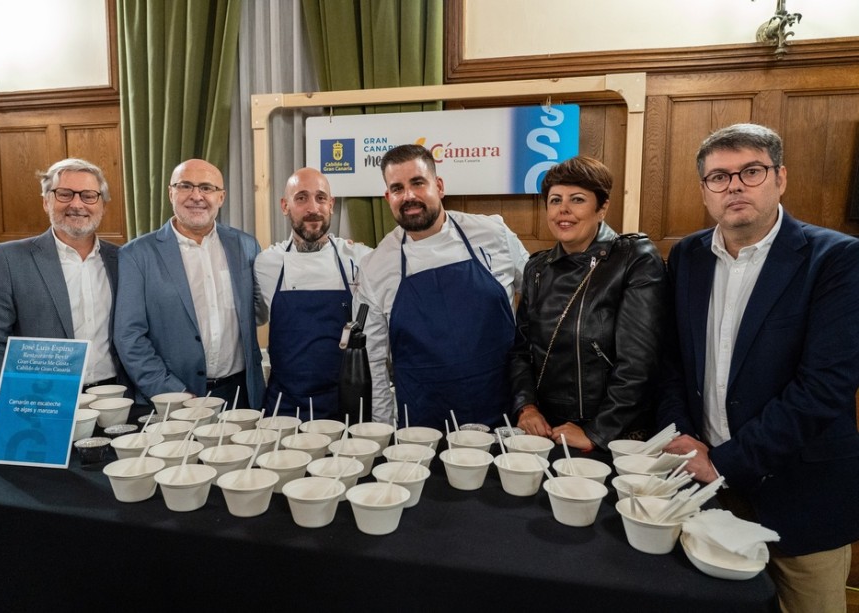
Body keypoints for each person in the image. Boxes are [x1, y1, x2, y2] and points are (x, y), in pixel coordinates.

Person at [658, 123, 859, 612]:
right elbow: (670, 363)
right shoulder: (687, 256)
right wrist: (686, 441)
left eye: (751, 172)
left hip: (800, 493)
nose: (735, 187)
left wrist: (725, 461)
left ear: (780, 178)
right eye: (719, 177)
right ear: (705, 190)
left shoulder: (836, 259)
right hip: (705, 487)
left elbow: (823, 388)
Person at [355, 144, 529, 428]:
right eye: (397, 188)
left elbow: (540, 304)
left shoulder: (493, 233)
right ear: (388, 197)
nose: (409, 195)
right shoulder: (375, 266)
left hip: (504, 414)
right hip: (423, 425)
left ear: (439, 186)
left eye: (418, 183)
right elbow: (373, 361)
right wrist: (383, 433)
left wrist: (530, 403)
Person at [509, 156, 667, 451]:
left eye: (577, 199)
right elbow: (521, 351)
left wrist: (598, 432)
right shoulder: (537, 268)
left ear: (602, 208)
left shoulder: (634, 258)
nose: (563, 210)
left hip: (613, 434)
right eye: (555, 200)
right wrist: (526, 407)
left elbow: (639, 362)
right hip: (545, 431)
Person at [0, 158, 123, 436]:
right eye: (64, 194)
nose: (77, 204)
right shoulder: (7, 259)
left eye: (88, 196)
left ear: (102, 205)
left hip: (117, 403)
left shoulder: (122, 259)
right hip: (41, 407)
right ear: (46, 202)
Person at [114, 159, 265, 410]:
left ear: (221, 197)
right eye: (185, 186)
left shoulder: (246, 246)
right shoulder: (137, 254)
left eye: (206, 188)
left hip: (242, 394)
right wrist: (173, 392)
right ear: (171, 192)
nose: (196, 196)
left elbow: (258, 311)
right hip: (175, 397)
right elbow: (129, 337)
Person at [254, 167, 372, 418]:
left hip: (343, 403)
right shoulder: (266, 264)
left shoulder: (359, 259)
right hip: (283, 406)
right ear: (285, 205)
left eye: (320, 198)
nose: (313, 208)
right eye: (301, 198)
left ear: (331, 205)